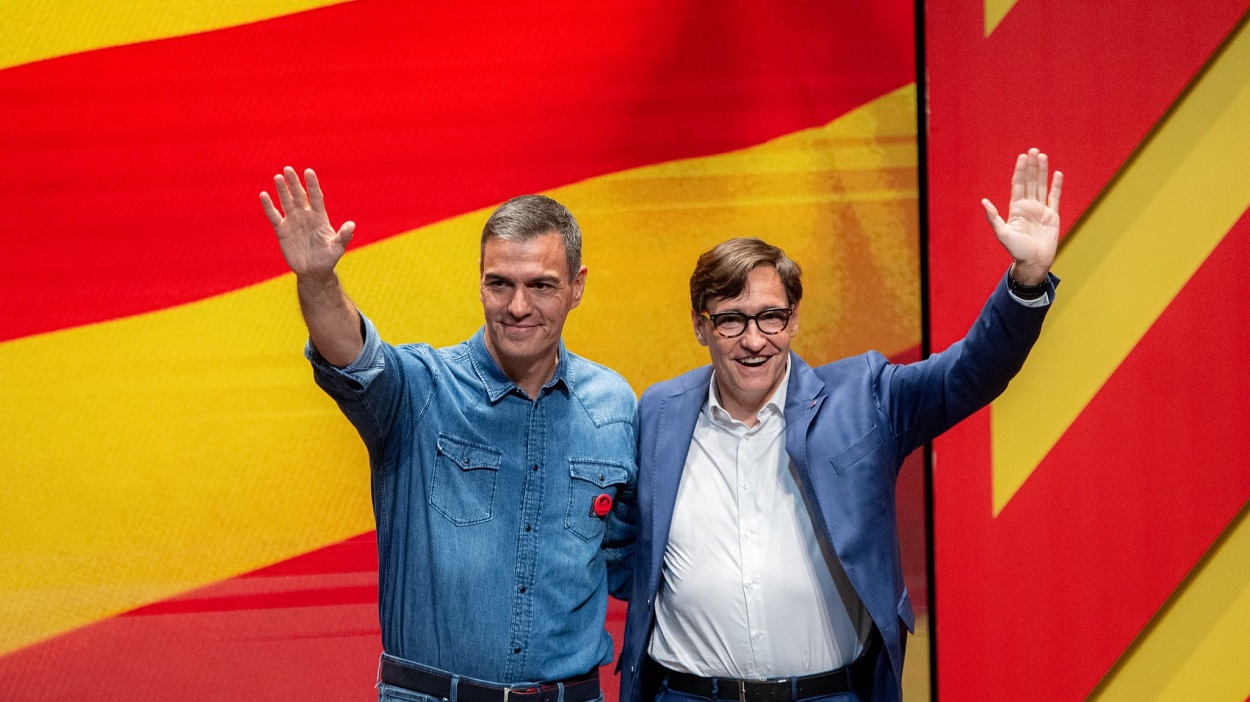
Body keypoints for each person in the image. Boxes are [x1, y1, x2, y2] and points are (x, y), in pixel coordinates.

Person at [617, 149, 1063, 702]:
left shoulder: (865, 396)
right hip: (685, 694)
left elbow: (968, 374)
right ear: (699, 326)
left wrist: (1027, 279)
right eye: (730, 319)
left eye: (770, 317)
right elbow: (625, 542)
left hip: (828, 694)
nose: (753, 340)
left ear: (795, 319)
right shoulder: (659, 412)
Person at [260, 168, 637, 702]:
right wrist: (318, 280)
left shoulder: (615, 405)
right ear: (479, 282)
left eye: (542, 286)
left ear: (576, 288)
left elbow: (634, 558)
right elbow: (351, 355)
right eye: (500, 283)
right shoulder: (418, 389)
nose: (518, 306)